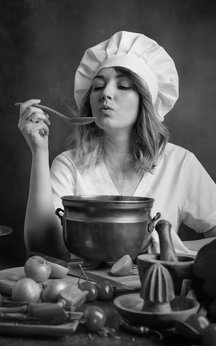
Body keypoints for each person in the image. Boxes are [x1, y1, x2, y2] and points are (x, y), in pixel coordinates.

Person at [18, 31, 216, 260]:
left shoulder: (180, 163)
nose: (106, 94)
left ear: (145, 101)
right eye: (98, 86)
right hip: (85, 291)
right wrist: (39, 151)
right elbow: (43, 248)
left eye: (123, 86)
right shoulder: (68, 164)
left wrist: (167, 248)